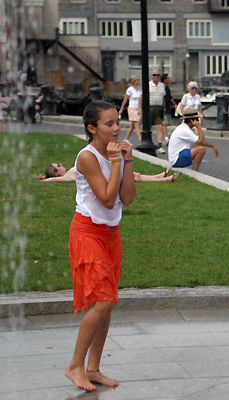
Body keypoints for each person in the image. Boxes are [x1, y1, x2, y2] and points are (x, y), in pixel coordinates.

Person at [64, 100, 136, 391]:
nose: (117, 128)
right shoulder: (87, 156)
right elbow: (107, 198)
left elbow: (127, 198)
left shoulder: (117, 152)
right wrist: (116, 161)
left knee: (106, 305)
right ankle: (74, 366)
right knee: (103, 299)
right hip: (87, 232)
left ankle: (93, 368)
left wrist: (127, 161)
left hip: (110, 234)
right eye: (109, 124)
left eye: (117, 122)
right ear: (92, 128)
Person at [38, 162, 178, 183]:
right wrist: (45, 180)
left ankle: (158, 176)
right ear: (57, 172)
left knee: (133, 174)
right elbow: (57, 180)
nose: (61, 165)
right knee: (133, 177)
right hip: (103, 177)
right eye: (58, 165)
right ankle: (163, 179)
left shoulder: (69, 171)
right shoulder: (68, 175)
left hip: (103, 172)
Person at [139, 69, 166, 153]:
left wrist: (163, 108)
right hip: (149, 107)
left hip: (158, 107)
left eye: (158, 75)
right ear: (151, 76)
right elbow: (141, 97)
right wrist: (140, 108)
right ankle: (146, 142)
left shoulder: (162, 85)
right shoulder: (148, 85)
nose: (156, 77)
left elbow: (163, 97)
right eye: (154, 75)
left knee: (159, 126)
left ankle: (160, 144)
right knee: (148, 126)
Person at [119, 75, 142, 141]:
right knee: (137, 125)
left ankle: (126, 139)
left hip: (138, 108)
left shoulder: (140, 90)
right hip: (132, 108)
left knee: (133, 126)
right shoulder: (130, 89)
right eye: (137, 80)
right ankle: (140, 140)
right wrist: (121, 109)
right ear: (134, 81)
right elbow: (125, 99)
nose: (138, 81)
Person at [162, 74, 177, 144]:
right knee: (164, 123)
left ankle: (165, 136)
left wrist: (175, 104)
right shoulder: (161, 87)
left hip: (168, 107)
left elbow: (170, 97)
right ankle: (166, 138)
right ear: (165, 80)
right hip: (163, 107)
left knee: (167, 123)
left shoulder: (167, 87)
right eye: (168, 78)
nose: (170, 80)